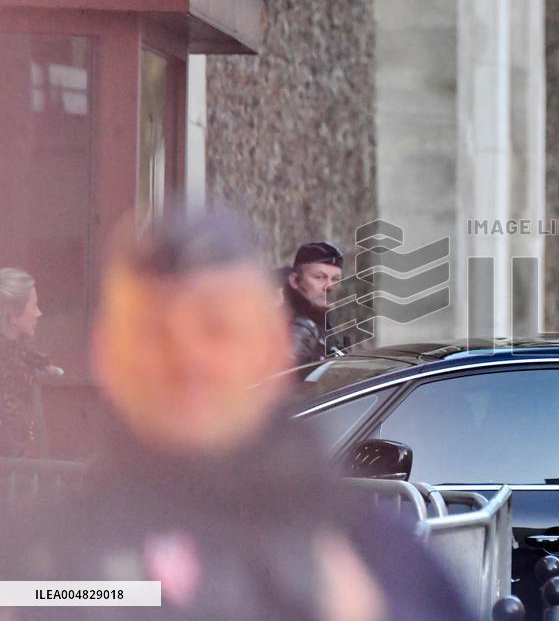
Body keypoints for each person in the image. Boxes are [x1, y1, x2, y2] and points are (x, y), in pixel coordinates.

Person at [1, 212, 471, 621]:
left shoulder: (369, 558)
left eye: (217, 328)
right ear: (108, 354)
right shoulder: (39, 563)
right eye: (155, 332)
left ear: (269, 348)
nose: (188, 359)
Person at [0, 267, 45, 457]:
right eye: (33, 306)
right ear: (13, 317)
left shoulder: (23, 360)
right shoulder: (7, 368)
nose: (39, 313)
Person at [287, 242, 344, 366]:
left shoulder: (322, 323)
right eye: (319, 277)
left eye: (336, 279)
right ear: (295, 281)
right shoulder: (294, 331)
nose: (330, 286)